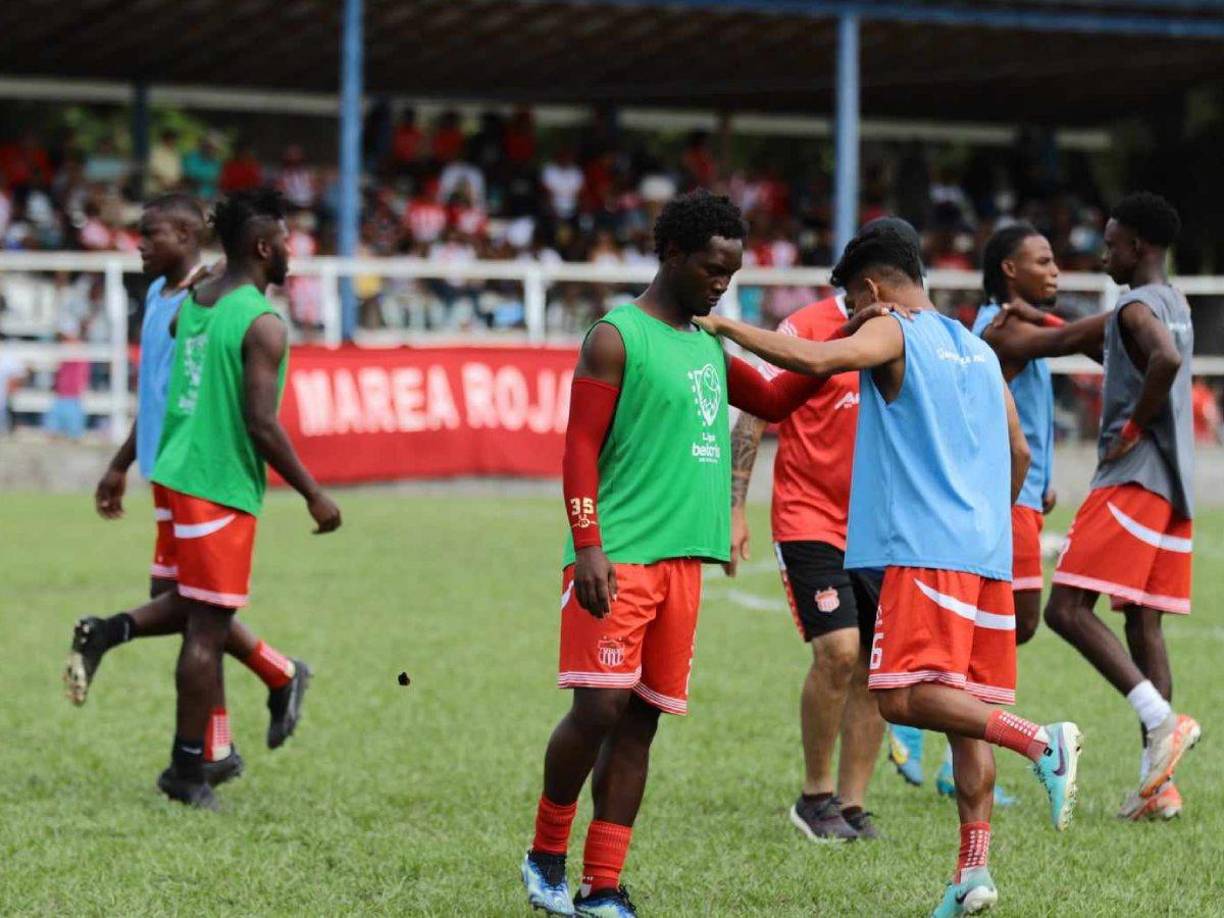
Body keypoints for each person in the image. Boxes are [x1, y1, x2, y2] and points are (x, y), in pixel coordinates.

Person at [700, 224, 1083, 917]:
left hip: (922, 551)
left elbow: (814, 361)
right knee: (967, 716)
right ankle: (973, 871)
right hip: (985, 554)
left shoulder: (893, 330)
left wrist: (723, 326)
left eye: (853, 301)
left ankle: (1041, 741)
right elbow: (1020, 453)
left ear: (873, 289)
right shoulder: (975, 345)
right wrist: (983, 513)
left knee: (901, 695)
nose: (851, 313)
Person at [520, 191, 873, 917]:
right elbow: (577, 447)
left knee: (641, 721)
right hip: (617, 558)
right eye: (713, 268)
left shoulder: (710, 342)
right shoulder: (616, 336)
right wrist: (587, 545)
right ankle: (545, 854)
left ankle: (603, 887)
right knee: (599, 709)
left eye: (733, 271)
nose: (722, 282)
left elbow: (775, 402)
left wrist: (845, 350)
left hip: (684, 565)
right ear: (674, 255)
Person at [66, 189, 341, 810]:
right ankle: (188, 769)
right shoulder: (260, 321)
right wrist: (314, 494)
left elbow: (176, 349)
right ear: (264, 248)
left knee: (188, 606)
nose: (293, 252)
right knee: (205, 628)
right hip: (217, 484)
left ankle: (115, 636)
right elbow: (261, 424)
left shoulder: (193, 303)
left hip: (176, 472)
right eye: (287, 242)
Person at [723, 216, 925, 843]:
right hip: (809, 515)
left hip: (883, 526)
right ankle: (814, 796)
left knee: (875, 666)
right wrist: (735, 508)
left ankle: (852, 802)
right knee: (838, 653)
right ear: (871, 284)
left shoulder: (907, 333)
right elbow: (758, 412)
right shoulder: (806, 329)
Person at [1023, 192, 1200, 819]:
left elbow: (1163, 359)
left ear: (1141, 247)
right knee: (1141, 621)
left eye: (1113, 241)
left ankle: (1160, 721)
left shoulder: (1135, 306)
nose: (1104, 251)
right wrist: (1034, 320)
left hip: (1132, 479)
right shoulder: (1173, 302)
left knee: (1066, 609)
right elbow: (1097, 342)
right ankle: (1160, 786)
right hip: (1176, 486)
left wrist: (1131, 427)